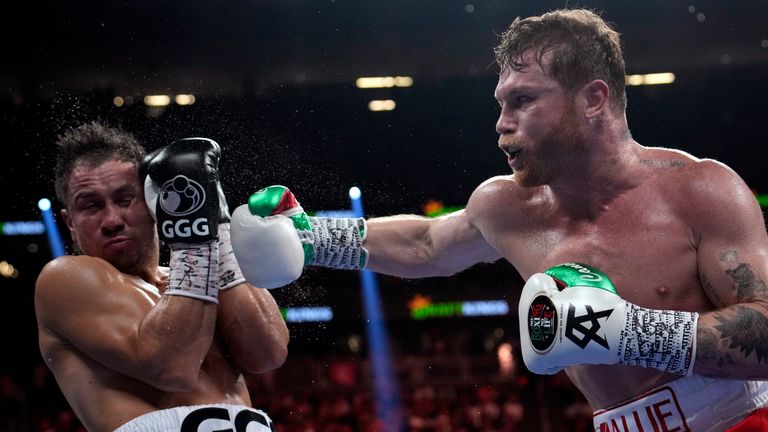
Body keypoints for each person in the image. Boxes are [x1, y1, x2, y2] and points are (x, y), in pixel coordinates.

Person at [229, 9, 768, 431]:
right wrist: (311, 236)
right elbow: (425, 244)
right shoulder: (507, 205)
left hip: (740, 420)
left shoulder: (700, 190)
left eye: (523, 101)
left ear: (593, 99)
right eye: (500, 103)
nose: (502, 125)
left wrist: (624, 332)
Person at [35, 122, 289, 432]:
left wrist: (216, 222)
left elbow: (268, 353)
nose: (112, 220)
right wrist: (193, 234)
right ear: (69, 222)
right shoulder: (64, 279)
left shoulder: (195, 278)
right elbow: (171, 367)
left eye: (125, 199)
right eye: (91, 205)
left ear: (152, 200)